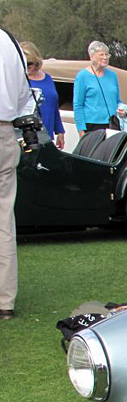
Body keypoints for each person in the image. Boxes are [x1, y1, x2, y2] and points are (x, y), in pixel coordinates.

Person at [0, 27, 35, 320]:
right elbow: (25, 97)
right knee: (3, 220)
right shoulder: (10, 41)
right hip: (5, 133)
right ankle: (4, 300)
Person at [21, 42, 64, 149]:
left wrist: (60, 131)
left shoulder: (48, 78)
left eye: (29, 64)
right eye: (23, 63)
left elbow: (54, 106)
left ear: (36, 61)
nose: (26, 67)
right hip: (27, 137)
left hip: (47, 135)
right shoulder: (20, 80)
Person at [73, 41, 119, 133]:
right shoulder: (82, 76)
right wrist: (81, 131)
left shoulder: (113, 76)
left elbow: (117, 100)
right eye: (101, 55)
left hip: (113, 124)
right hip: (91, 125)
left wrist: (123, 111)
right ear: (92, 56)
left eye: (107, 54)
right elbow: (78, 105)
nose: (105, 57)